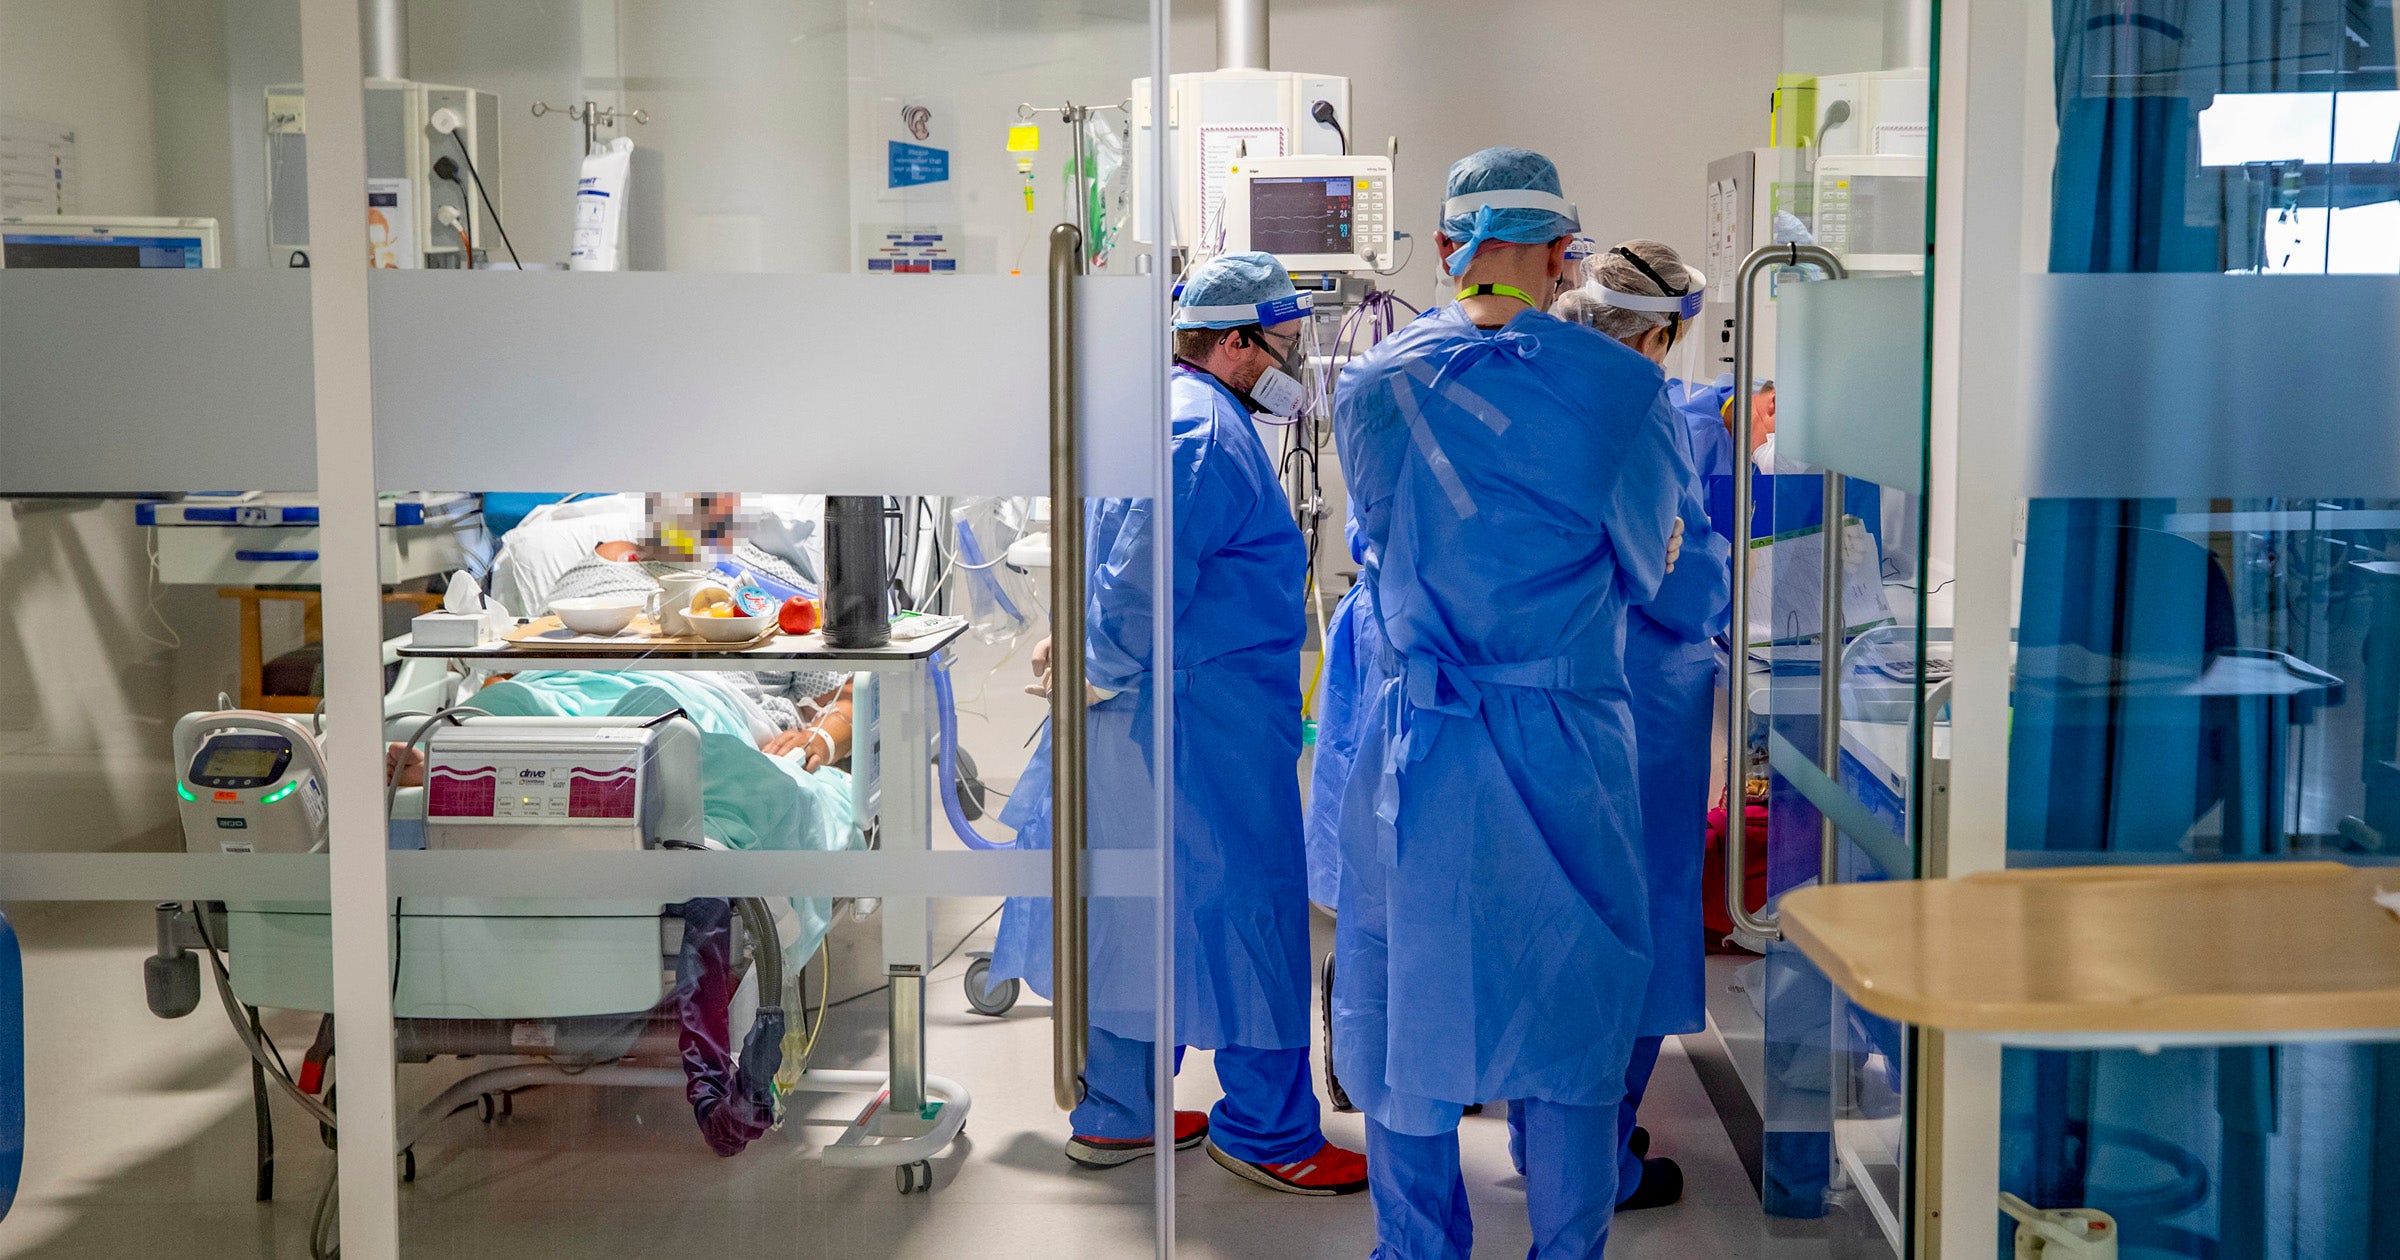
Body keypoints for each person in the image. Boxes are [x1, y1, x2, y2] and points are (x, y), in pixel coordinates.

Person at [1328, 148, 1690, 1258]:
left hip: (1418, 747)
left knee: (1404, 1017)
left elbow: (1378, 543)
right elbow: (1650, 565)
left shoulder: (1373, 383)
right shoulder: (1625, 393)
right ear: (1559, 256)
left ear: (1445, 250)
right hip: (1565, 745)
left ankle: (1418, 1246)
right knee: (1573, 1007)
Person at [986, 252, 1367, 1195]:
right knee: (1250, 907)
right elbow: (1144, 576)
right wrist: (1099, 660)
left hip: (1146, 719)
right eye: (1280, 345)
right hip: (1197, 728)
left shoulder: (1161, 412)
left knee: (1134, 908)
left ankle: (1119, 1113)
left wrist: (1082, 658)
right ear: (1236, 343)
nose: (1289, 365)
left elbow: (1115, 560)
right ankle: (1269, 1131)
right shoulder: (1202, 430)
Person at [1534, 240, 1736, 1213]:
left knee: (1570, 916)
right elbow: (1672, 568)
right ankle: (1600, 1158)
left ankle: (1553, 1138)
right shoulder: (1639, 401)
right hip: (1641, 684)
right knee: (1639, 921)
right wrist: (1721, 586)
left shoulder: (1547, 367)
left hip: (1565, 677)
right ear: (1660, 334)